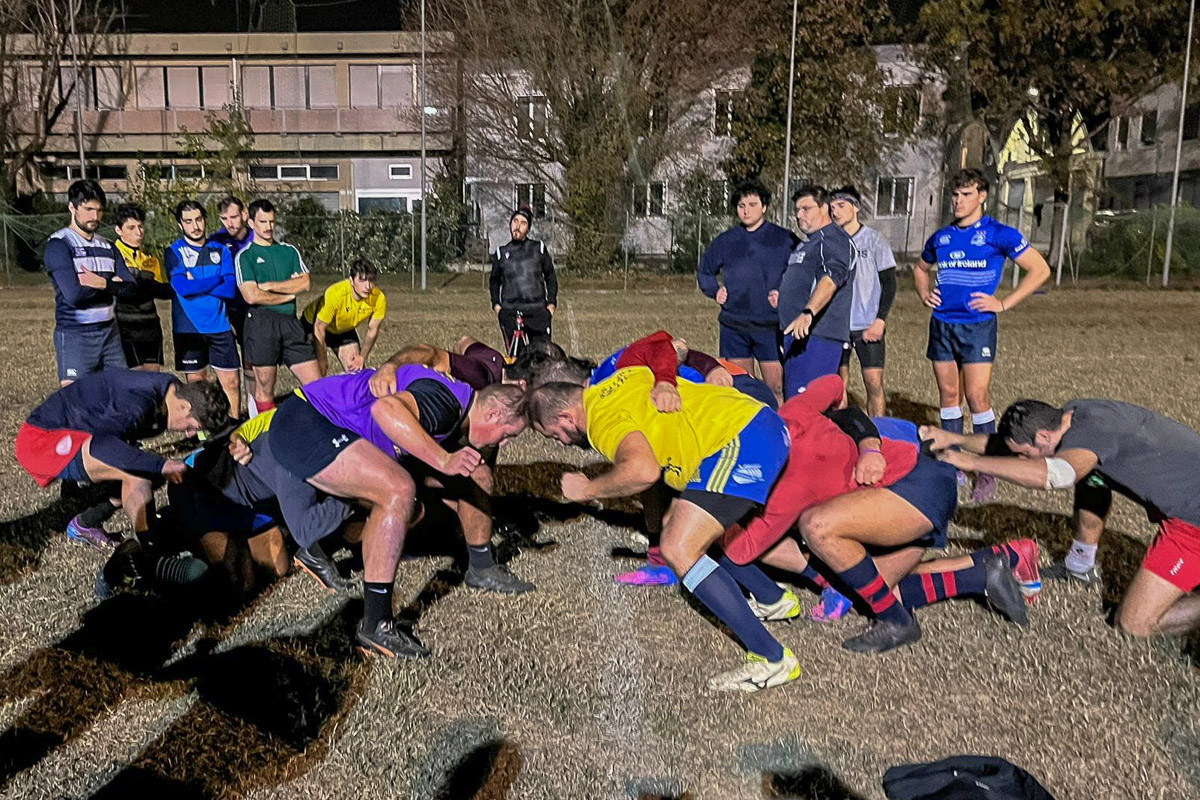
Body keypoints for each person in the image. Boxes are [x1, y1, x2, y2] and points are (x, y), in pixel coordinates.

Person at [717, 375, 1033, 653]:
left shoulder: (785, 485)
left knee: (817, 526)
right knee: (869, 589)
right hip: (921, 478)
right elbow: (833, 384)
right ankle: (985, 571)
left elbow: (740, 550)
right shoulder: (793, 412)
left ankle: (896, 622)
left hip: (911, 488)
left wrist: (713, 515)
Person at [527, 368, 797, 692]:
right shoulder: (617, 381)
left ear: (567, 417)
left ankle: (772, 658)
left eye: (554, 434)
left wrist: (587, 489)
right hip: (752, 423)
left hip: (742, 439)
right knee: (678, 525)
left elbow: (642, 471)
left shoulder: (599, 420)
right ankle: (774, 599)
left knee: (678, 547)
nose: (560, 442)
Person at [265, 366, 528, 657]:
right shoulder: (445, 405)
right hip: (306, 421)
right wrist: (442, 460)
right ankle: (375, 624)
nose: (504, 444)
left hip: (335, 426)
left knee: (474, 476)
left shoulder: (459, 403)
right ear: (493, 415)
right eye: (508, 435)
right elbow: (385, 409)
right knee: (398, 489)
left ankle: (482, 567)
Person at [924, 398, 1200, 638]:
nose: (1020, 460)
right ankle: (1080, 565)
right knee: (1093, 479)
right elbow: (1010, 446)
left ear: (1043, 436)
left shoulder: (1089, 439)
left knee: (1134, 624)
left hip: (1193, 519)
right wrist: (955, 440)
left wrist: (971, 463)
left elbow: (1057, 475)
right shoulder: (1072, 415)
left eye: (1023, 455)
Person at [915, 169, 1051, 500]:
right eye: (955, 195)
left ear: (982, 196)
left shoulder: (998, 234)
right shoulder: (942, 237)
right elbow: (920, 268)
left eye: (966, 194)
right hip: (942, 325)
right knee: (949, 395)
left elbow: (1040, 269)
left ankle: (986, 468)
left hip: (977, 327)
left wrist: (1003, 303)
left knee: (978, 397)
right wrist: (923, 292)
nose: (958, 201)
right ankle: (952, 464)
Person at [14, 372, 230, 548]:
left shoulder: (169, 388)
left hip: (74, 434)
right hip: (41, 441)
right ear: (185, 406)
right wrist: (161, 464)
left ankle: (86, 523)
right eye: (192, 427)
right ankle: (149, 551)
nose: (189, 434)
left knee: (148, 470)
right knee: (140, 473)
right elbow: (102, 447)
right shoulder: (137, 406)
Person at [697, 179, 798, 404]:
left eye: (752, 205)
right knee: (742, 388)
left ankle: (783, 430)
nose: (746, 210)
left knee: (777, 386)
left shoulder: (785, 239)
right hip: (734, 326)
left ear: (764, 207)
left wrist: (786, 294)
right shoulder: (726, 241)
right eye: (742, 206)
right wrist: (715, 291)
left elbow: (802, 273)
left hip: (770, 326)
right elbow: (704, 271)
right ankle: (751, 433)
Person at [44, 179, 137, 385]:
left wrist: (102, 284)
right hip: (76, 335)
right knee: (78, 403)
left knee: (120, 395)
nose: (94, 216)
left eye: (99, 210)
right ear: (72, 207)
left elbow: (132, 291)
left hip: (110, 334)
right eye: (88, 209)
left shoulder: (109, 247)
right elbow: (74, 295)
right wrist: (114, 286)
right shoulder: (59, 245)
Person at [235, 199, 321, 413]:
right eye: (263, 222)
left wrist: (272, 286)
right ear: (252, 223)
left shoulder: (289, 251)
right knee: (265, 386)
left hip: (290, 323)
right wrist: (286, 295)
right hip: (261, 324)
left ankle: (323, 427)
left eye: (271, 221)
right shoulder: (245, 257)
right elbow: (251, 296)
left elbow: (305, 283)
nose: (268, 227)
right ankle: (268, 436)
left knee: (316, 383)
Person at [164, 200, 241, 422]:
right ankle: (204, 435)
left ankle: (233, 427)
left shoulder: (221, 251)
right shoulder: (173, 252)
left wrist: (199, 281)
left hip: (219, 326)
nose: (195, 226)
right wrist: (216, 278)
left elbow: (229, 289)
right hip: (189, 329)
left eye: (198, 219)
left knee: (232, 384)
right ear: (180, 224)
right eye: (188, 221)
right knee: (197, 387)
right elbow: (182, 287)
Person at [777, 186, 855, 398]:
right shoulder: (809, 243)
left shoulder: (832, 239)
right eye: (797, 210)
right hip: (797, 335)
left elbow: (830, 280)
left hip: (819, 336)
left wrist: (808, 312)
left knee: (807, 407)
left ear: (824, 208)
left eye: (806, 208)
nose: (799, 215)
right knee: (795, 403)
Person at [830, 186, 896, 416]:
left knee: (874, 384)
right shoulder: (830, 242)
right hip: (838, 326)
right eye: (832, 207)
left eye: (841, 206)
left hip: (867, 325)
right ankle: (844, 435)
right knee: (838, 386)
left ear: (855, 208)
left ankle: (879, 433)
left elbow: (889, 283)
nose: (835, 212)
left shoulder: (874, 241)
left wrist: (880, 320)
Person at [210, 195, 258, 416]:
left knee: (251, 358)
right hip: (226, 309)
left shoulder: (257, 238)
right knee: (227, 365)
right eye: (224, 218)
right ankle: (228, 412)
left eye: (233, 217)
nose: (229, 222)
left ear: (244, 215)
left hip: (252, 307)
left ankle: (253, 410)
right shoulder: (216, 241)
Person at [490, 206, 557, 357]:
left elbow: (550, 276)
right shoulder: (501, 252)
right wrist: (497, 306)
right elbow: (494, 281)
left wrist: (551, 304)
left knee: (541, 359)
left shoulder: (538, 248)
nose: (517, 226)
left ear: (528, 228)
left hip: (537, 312)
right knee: (517, 360)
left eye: (523, 223)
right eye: (515, 221)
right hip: (511, 313)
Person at [301, 258, 387, 376]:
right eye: (362, 280)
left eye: (371, 280)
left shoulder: (378, 298)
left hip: (342, 329)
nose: (368, 286)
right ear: (351, 280)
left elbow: (373, 330)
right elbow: (319, 327)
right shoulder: (336, 293)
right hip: (314, 325)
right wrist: (322, 359)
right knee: (317, 375)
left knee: (357, 372)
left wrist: (361, 357)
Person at [112, 203, 171, 371]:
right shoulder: (111, 255)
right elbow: (124, 291)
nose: (138, 232)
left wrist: (142, 284)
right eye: (131, 228)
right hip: (125, 327)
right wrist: (144, 285)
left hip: (150, 326)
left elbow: (164, 291)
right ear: (118, 230)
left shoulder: (150, 259)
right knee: (134, 381)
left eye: (140, 226)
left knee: (153, 380)